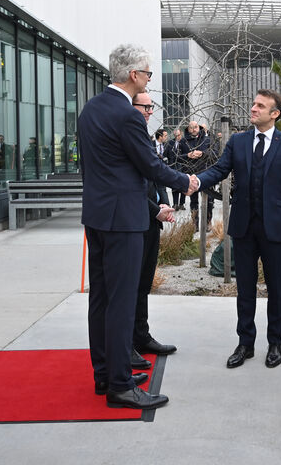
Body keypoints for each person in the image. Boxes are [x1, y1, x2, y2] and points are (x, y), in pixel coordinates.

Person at [78, 44, 196, 410]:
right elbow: (150, 166)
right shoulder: (127, 115)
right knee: (121, 302)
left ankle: (104, 374)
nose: (148, 78)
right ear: (133, 75)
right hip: (124, 220)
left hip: (97, 217)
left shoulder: (91, 109)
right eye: (147, 73)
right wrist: (186, 182)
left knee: (100, 299)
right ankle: (120, 385)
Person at [197, 89, 281, 369]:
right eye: (254, 104)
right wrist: (195, 181)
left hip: (276, 229)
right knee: (244, 288)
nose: (253, 109)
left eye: (260, 106)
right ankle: (245, 343)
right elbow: (220, 169)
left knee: (276, 288)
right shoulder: (238, 141)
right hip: (243, 227)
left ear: (275, 114)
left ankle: (275, 343)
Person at [131, 93, 178, 357]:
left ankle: (141, 336)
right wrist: (154, 211)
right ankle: (129, 343)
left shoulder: (145, 136)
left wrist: (163, 203)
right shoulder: (128, 135)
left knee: (144, 282)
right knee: (133, 284)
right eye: (145, 106)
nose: (150, 111)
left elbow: (154, 176)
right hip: (136, 221)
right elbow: (129, 187)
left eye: (151, 106)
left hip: (151, 220)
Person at [180, 120, 215, 227]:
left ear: (199, 128)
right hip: (191, 174)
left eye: (196, 127)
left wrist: (203, 153)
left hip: (206, 173)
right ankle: (195, 224)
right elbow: (177, 157)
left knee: (209, 200)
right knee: (193, 201)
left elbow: (215, 153)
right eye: (191, 127)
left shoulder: (207, 139)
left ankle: (208, 222)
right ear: (188, 129)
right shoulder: (183, 141)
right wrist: (188, 155)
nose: (194, 129)